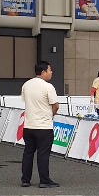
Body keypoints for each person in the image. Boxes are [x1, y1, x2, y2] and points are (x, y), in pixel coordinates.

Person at [20, 60, 61, 188]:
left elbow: (25, 101)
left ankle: (25, 179)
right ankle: (44, 180)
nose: (51, 72)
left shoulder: (26, 85)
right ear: (43, 72)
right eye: (50, 70)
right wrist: (50, 115)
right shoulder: (48, 87)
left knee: (28, 152)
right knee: (43, 154)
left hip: (29, 125)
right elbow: (55, 106)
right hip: (44, 126)